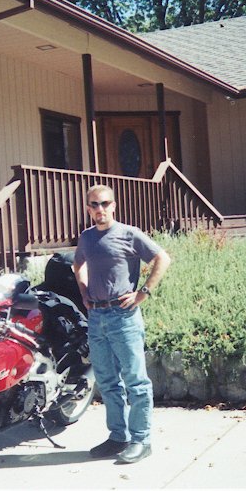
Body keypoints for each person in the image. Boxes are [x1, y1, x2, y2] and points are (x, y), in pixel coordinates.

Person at [73, 184, 171, 464]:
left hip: (123, 317)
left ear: (113, 205)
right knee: (106, 381)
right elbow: (78, 264)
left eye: (104, 203)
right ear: (88, 208)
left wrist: (144, 292)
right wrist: (83, 292)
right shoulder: (87, 237)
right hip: (97, 317)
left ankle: (142, 440)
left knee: (135, 381)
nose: (99, 209)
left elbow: (162, 258)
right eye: (94, 204)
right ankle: (118, 437)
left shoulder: (129, 234)